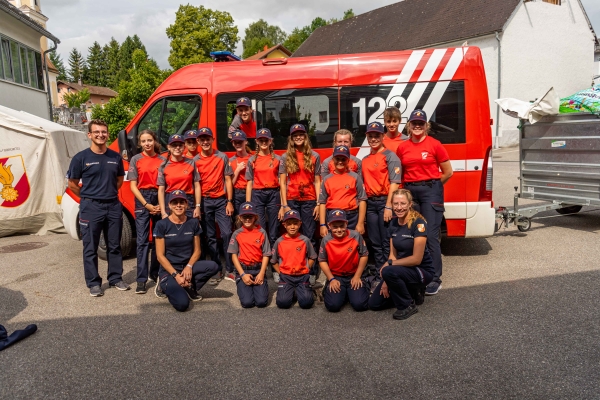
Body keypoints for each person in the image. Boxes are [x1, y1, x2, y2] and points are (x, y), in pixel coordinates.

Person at [67, 119, 130, 297]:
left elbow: (118, 180)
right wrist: (89, 197)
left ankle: (116, 278)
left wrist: (106, 193)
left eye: (103, 132)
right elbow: (72, 183)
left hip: (112, 205)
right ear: (90, 135)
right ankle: (94, 283)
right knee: (90, 247)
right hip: (90, 207)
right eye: (97, 132)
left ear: (107, 134)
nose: (101, 135)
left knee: (114, 245)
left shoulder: (115, 157)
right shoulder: (80, 158)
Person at [396, 109, 453, 296]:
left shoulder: (435, 145)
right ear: (409, 126)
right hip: (411, 192)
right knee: (414, 233)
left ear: (426, 125)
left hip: (431, 191)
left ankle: (435, 278)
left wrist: (433, 187)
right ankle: (418, 272)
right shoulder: (403, 147)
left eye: (421, 123)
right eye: (414, 123)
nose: (417, 126)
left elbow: (448, 172)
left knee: (430, 235)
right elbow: (401, 173)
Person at [369, 189, 434, 320]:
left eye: (403, 203)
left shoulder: (419, 224)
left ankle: (407, 304)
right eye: (396, 204)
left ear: (410, 204)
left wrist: (389, 267)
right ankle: (411, 292)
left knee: (388, 271)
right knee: (374, 304)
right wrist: (386, 281)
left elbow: (416, 259)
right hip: (401, 270)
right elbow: (392, 255)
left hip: (421, 271)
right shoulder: (393, 223)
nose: (399, 208)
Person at [153, 190, 220, 312]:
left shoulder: (193, 222)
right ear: (169, 206)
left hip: (186, 267)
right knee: (182, 305)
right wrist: (175, 275)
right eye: (175, 202)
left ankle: (189, 287)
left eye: (181, 202)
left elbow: (197, 251)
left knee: (214, 266)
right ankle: (164, 286)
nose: (178, 205)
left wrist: (189, 266)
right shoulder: (161, 224)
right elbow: (160, 256)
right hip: (169, 270)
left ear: (187, 204)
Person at [278, 124, 321, 283]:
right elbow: (282, 183)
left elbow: (317, 181)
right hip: (292, 200)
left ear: (305, 136)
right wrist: (284, 205)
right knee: (293, 235)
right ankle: (294, 266)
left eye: (301, 134)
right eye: (295, 134)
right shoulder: (285, 157)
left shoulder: (314, 156)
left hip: (309, 200)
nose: (298, 137)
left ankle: (311, 270)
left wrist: (318, 203)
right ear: (291, 137)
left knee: (309, 236)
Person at [192, 127, 234, 284]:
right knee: (210, 237)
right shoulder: (195, 161)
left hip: (221, 200)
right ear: (198, 142)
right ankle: (217, 268)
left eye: (207, 138)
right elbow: (196, 184)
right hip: (205, 201)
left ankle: (230, 269)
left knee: (227, 234)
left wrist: (229, 201)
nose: (205, 141)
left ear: (212, 139)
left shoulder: (221, 157)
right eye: (201, 139)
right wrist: (197, 205)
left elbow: (228, 180)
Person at [361, 122, 402, 278]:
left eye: (376, 135)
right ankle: (380, 274)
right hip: (371, 204)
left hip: (385, 202)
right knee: (375, 242)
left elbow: (395, 182)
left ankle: (389, 273)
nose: (373, 139)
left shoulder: (391, 156)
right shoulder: (365, 159)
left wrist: (389, 206)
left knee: (387, 242)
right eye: (370, 136)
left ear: (382, 136)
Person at [127, 129, 166, 294]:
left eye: (149, 140)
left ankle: (155, 273)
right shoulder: (136, 160)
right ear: (140, 143)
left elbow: (164, 185)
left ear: (154, 141)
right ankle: (141, 280)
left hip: (158, 197)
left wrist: (159, 205)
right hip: (142, 198)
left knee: (159, 239)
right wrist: (146, 205)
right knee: (142, 241)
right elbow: (132, 185)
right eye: (143, 141)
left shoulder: (163, 160)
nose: (147, 144)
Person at [318, 209, 370, 312]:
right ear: (329, 226)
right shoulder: (326, 240)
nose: (339, 229)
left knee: (360, 305)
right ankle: (333, 289)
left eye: (342, 226)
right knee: (333, 306)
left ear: (346, 224)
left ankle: (361, 286)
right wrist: (331, 279)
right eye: (335, 227)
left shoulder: (355, 236)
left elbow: (364, 255)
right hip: (336, 276)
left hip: (353, 274)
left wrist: (357, 276)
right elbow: (322, 260)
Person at [228, 202, 271, 308]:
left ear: (255, 217)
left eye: (250, 216)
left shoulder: (262, 232)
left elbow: (266, 254)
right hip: (243, 270)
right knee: (247, 303)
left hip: (258, 269)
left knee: (261, 302)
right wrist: (242, 275)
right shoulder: (237, 233)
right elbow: (233, 255)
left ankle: (259, 285)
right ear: (240, 218)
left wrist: (261, 273)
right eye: (245, 216)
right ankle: (242, 283)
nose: (247, 219)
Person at [271, 209, 317, 309]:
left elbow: (313, 257)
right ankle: (289, 291)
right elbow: (273, 261)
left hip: (302, 276)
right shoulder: (279, 241)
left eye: (295, 224)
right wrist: (281, 272)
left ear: (300, 224)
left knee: (306, 303)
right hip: (286, 276)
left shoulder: (305, 240)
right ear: (284, 225)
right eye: (289, 224)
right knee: (283, 304)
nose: (292, 227)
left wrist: (307, 268)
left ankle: (305, 291)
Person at [245, 128, 281, 252]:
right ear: (257, 141)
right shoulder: (252, 160)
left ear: (270, 141)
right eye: (261, 140)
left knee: (274, 229)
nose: (264, 142)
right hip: (257, 194)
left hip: (273, 193)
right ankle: (262, 260)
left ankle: (274, 262)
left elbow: (282, 182)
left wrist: (283, 203)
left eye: (266, 140)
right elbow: (249, 182)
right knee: (260, 228)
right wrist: (248, 203)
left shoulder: (278, 159)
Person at [318, 145, 367, 236]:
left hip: (351, 217)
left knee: (352, 243)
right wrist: (322, 225)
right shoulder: (326, 179)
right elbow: (322, 202)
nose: (340, 162)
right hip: (332, 217)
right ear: (333, 160)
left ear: (348, 160)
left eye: (343, 159)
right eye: (337, 159)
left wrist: (360, 223)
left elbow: (362, 200)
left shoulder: (355, 177)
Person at [157, 134, 201, 220]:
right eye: (174, 145)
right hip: (170, 200)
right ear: (168, 147)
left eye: (180, 145)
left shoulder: (191, 162)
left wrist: (198, 207)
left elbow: (197, 185)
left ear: (184, 147)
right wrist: (163, 212)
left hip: (187, 200)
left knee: (190, 229)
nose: (177, 147)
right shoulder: (163, 166)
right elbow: (161, 190)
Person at [228, 130, 252, 218]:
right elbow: (230, 184)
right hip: (237, 194)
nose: (238, 144)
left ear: (245, 142)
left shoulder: (252, 159)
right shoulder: (230, 161)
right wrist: (237, 170)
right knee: (238, 220)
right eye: (235, 142)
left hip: (251, 192)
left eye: (240, 142)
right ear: (233, 144)